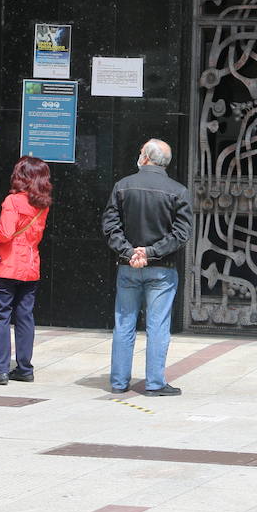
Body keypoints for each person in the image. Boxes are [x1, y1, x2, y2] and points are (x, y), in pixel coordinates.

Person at [101, 139, 193, 395]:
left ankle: (118, 382)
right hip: (162, 269)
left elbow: (110, 227)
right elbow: (181, 233)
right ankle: (154, 383)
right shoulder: (178, 191)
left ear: (146, 158)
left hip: (128, 266)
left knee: (124, 324)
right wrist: (151, 252)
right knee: (158, 326)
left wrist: (130, 252)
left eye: (141, 152)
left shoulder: (123, 186)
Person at [0, 156, 51, 386]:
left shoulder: (12, 201)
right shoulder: (43, 204)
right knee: (25, 317)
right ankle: (24, 368)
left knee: (1, 317)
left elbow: (5, 233)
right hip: (31, 267)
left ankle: (1, 370)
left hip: (7, 266)